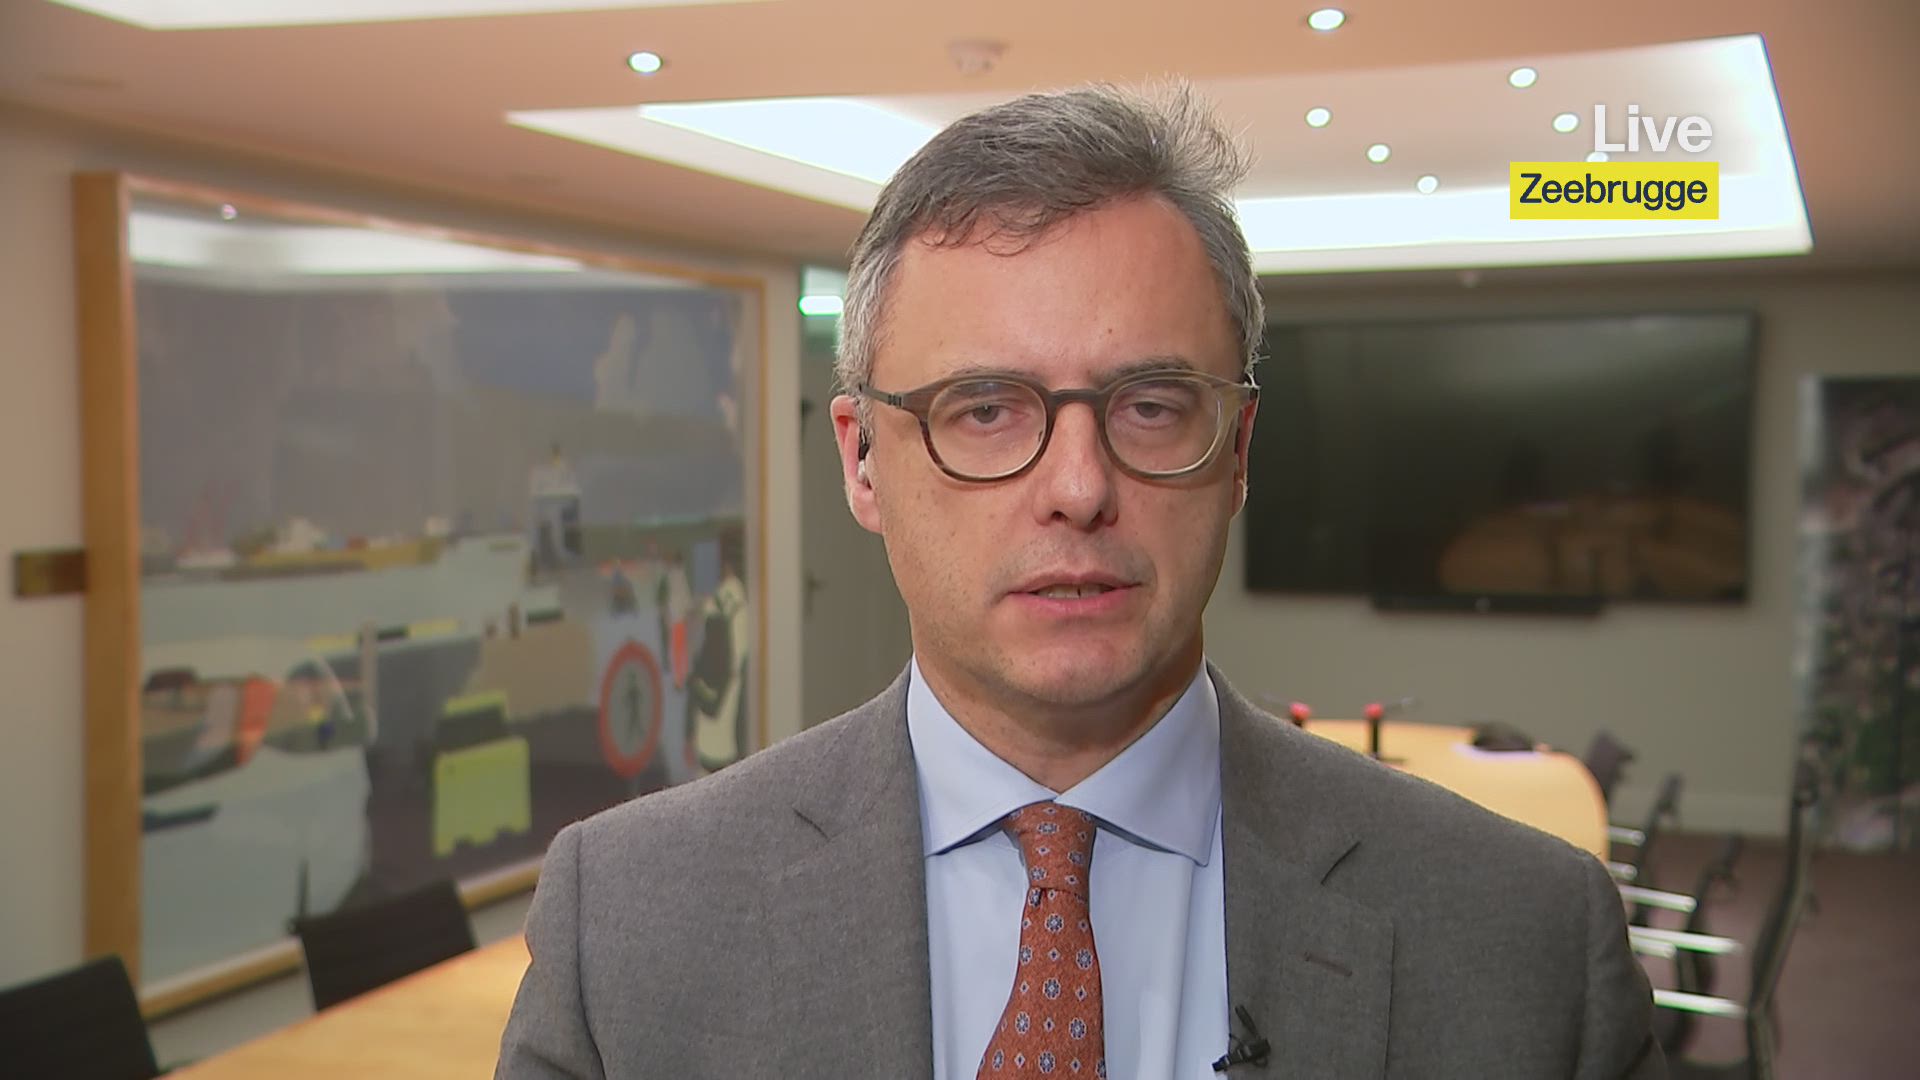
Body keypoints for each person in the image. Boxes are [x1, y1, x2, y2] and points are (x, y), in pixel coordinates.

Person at [496, 83, 1663, 1079]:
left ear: (1239, 453)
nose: (1078, 487)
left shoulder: (1528, 944)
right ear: (862, 462)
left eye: (1150, 407)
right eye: (984, 410)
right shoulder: (630, 923)